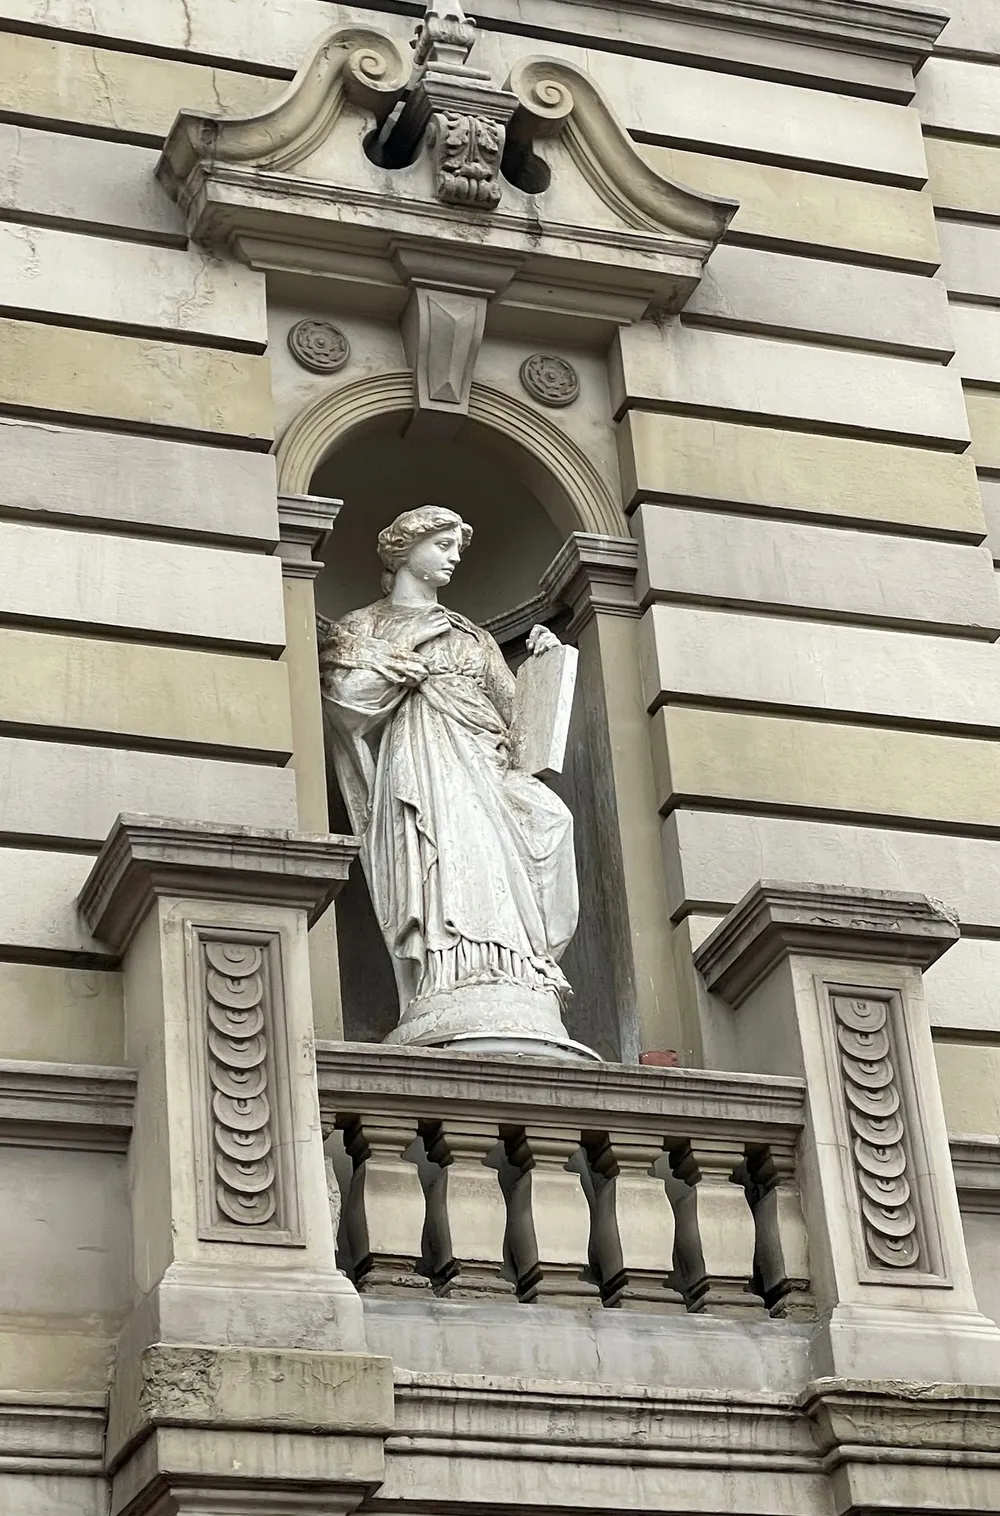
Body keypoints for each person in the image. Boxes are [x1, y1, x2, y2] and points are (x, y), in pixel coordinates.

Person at [319, 504, 579, 1046]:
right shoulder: (365, 624)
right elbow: (345, 703)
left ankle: (519, 967)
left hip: (486, 757)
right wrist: (406, 651)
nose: (454, 557)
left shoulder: (474, 636)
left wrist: (544, 661)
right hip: (422, 756)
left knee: (551, 820)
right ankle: (447, 973)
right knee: (448, 853)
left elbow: (515, 716)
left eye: (457, 547)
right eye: (442, 545)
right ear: (404, 551)